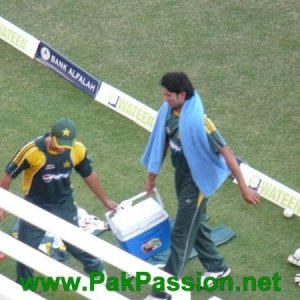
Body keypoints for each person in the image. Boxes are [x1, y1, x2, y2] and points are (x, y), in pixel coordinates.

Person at [141, 72, 260, 300]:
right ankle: (217, 266)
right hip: (181, 176)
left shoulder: (201, 122)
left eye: (168, 95)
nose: (164, 99)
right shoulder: (168, 112)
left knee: (181, 234)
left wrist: (243, 187)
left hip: (197, 182)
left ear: (182, 95)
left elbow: (227, 152)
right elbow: (163, 142)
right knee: (197, 224)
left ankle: (163, 291)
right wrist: (151, 177)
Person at [0, 118, 118, 283]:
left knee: (77, 246)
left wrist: (105, 200)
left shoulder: (77, 150)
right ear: (51, 136)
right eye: (60, 143)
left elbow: (89, 174)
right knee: (25, 252)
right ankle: (24, 289)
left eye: (67, 144)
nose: (63, 148)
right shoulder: (32, 150)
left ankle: (99, 277)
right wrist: (2, 202)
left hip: (64, 205)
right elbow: (8, 174)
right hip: (35, 207)